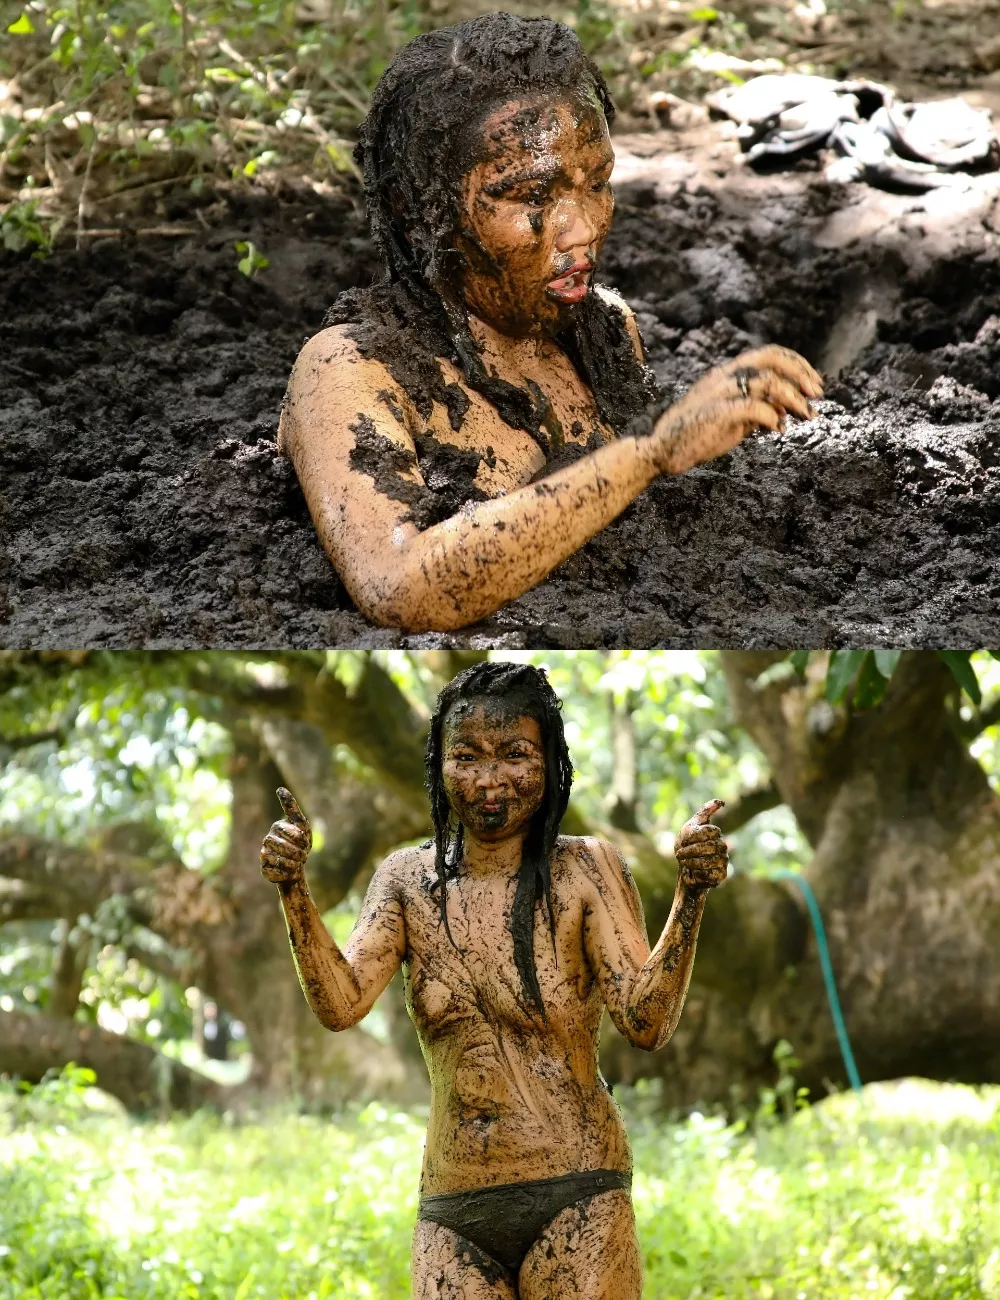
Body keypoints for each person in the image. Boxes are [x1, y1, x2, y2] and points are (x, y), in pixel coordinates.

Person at [278, 12, 823, 632]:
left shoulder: (605, 330)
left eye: (598, 182)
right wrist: (650, 451)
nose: (582, 227)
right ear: (418, 212)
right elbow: (400, 589)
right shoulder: (352, 370)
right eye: (533, 197)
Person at [260, 661, 729, 1298]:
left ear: (550, 763)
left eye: (515, 754)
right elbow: (341, 1004)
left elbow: (646, 1022)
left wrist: (690, 894)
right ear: (439, 763)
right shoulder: (405, 880)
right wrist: (293, 889)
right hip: (453, 1207)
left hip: (578, 1189)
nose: (489, 779)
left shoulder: (585, 871)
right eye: (467, 756)